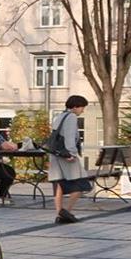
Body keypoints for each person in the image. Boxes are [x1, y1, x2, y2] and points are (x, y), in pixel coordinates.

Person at [48, 94, 91, 225]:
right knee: (82, 184)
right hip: (66, 156)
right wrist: (71, 154)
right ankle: (66, 211)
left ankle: (59, 214)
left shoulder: (59, 116)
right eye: (82, 107)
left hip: (55, 155)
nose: (83, 110)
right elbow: (69, 138)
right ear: (75, 106)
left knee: (59, 184)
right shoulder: (71, 117)